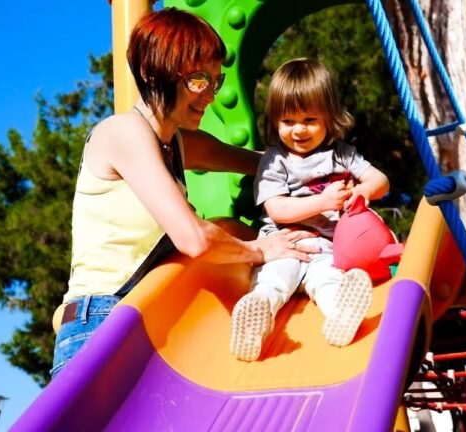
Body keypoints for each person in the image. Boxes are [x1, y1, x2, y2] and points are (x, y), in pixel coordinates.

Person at [50, 9, 318, 378]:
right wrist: (260, 249)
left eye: (215, 81)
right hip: (101, 321)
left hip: (148, 317)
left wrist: (324, 167)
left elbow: (254, 161)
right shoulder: (122, 133)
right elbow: (194, 238)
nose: (208, 94)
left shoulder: (174, 143)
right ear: (151, 73)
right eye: (196, 80)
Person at [229, 58, 390, 362]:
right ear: (275, 120)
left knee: (328, 282)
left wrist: (363, 190)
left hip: (328, 249)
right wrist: (323, 202)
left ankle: (340, 316)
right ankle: (257, 318)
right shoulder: (275, 161)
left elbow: (381, 180)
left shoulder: (342, 155)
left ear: (329, 118)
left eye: (309, 120)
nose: (298, 130)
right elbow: (276, 208)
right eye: (288, 121)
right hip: (284, 244)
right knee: (273, 280)